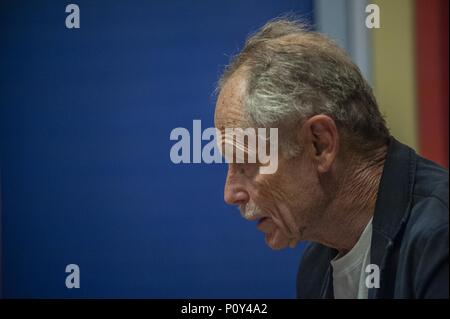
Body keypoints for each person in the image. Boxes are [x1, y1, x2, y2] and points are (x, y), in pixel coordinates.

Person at [214, 18, 448, 299]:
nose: (231, 194)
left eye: (245, 163)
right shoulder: (315, 267)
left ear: (320, 143)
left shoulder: (438, 238)